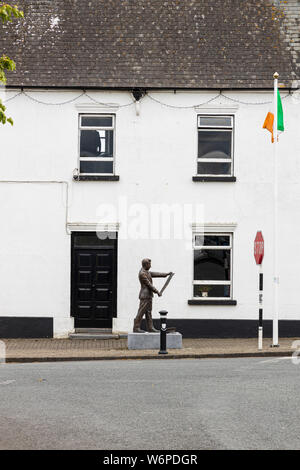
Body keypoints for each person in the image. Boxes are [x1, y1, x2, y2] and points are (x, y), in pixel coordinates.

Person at [133, 258, 171, 333]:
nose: (150, 266)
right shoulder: (142, 273)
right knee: (141, 312)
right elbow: (149, 285)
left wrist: (165, 274)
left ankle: (150, 328)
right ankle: (136, 328)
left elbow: (156, 274)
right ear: (146, 264)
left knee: (148, 312)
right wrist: (157, 292)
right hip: (145, 296)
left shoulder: (147, 272)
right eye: (149, 264)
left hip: (149, 296)